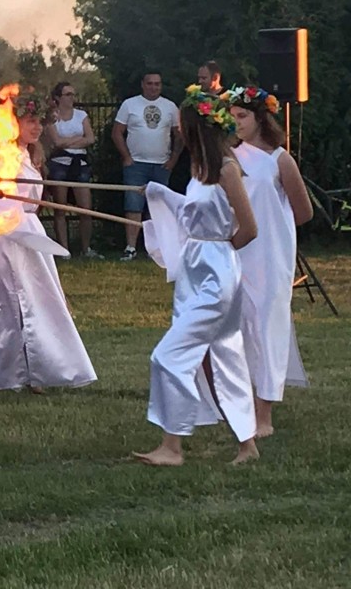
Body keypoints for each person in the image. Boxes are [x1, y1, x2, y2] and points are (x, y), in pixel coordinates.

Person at [133, 85, 259, 466]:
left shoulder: (227, 169)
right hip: (195, 268)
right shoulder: (200, 170)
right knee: (223, 356)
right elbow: (193, 211)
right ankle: (246, 445)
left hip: (215, 273)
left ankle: (173, 447)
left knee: (168, 355)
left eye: (182, 128)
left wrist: (219, 251)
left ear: (196, 129)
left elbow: (249, 228)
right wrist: (161, 194)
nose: (178, 134)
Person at [0, 94, 97, 393]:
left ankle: (40, 371)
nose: (36, 128)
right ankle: (15, 375)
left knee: (40, 300)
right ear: (14, 122)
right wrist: (19, 224)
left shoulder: (27, 154)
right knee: (17, 304)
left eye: (39, 122)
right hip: (10, 234)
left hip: (29, 228)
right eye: (30, 121)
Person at [229, 85, 313, 437]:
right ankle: (240, 403)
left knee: (268, 328)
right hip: (237, 250)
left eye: (242, 116)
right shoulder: (230, 157)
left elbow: (303, 211)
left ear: (261, 117)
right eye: (232, 117)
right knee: (240, 328)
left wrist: (276, 228)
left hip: (272, 255)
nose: (236, 123)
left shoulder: (280, 159)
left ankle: (265, 416)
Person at [112, 71, 182, 260]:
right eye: (150, 83)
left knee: (158, 207)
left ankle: (157, 249)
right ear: (143, 84)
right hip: (136, 164)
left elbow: (179, 135)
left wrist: (173, 159)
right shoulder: (130, 104)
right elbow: (117, 132)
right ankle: (131, 247)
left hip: (161, 165)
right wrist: (126, 157)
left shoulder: (170, 107)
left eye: (157, 84)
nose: (154, 87)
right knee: (133, 205)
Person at [44, 82, 101, 258]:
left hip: (79, 163)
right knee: (60, 208)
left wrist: (68, 141)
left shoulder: (81, 115)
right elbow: (56, 142)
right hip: (60, 162)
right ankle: (63, 250)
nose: (72, 98)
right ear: (58, 98)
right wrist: (78, 138)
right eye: (68, 94)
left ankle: (86, 249)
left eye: (73, 94)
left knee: (86, 208)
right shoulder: (51, 117)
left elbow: (90, 138)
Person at [171, 61, 227, 196]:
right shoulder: (195, 98)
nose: (200, 82)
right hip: (198, 152)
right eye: (199, 78)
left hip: (221, 151)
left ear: (215, 78)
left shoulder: (228, 98)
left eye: (204, 78)